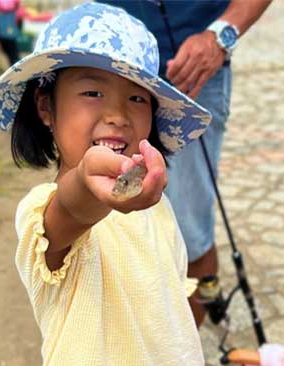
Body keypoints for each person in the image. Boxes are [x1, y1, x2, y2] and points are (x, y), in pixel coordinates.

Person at [0, 3, 211, 366]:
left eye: (137, 97)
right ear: (46, 107)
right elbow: (70, 212)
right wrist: (84, 185)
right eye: (92, 92)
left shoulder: (158, 209)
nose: (117, 114)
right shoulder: (43, 213)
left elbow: (170, 306)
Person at [99, 0, 273, 325]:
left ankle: (183, 357)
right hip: (104, 71)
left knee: (189, 231)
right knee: (105, 223)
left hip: (191, 75)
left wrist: (220, 36)